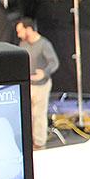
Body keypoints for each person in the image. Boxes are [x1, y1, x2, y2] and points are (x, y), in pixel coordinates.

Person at [15, 18, 59, 150]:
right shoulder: (23, 45)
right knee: (27, 114)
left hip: (41, 85)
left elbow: (54, 62)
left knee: (38, 114)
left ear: (28, 29)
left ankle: (39, 143)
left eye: (20, 31)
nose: (18, 34)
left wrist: (44, 73)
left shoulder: (44, 44)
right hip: (28, 84)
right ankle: (27, 141)